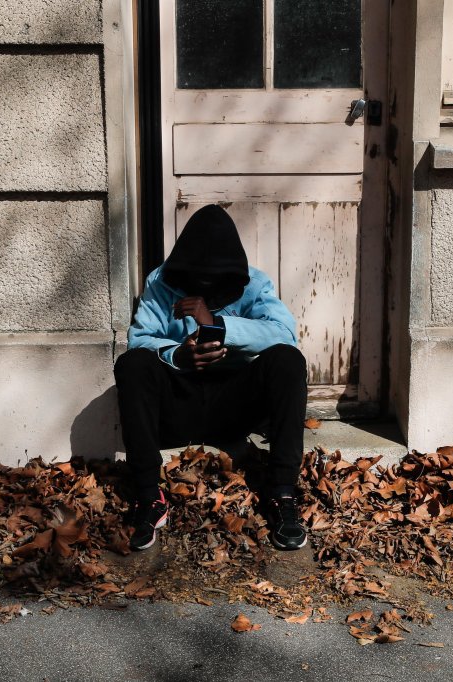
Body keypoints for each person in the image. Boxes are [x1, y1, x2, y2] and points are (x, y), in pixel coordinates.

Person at [114, 204, 309, 552]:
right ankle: (148, 496)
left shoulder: (256, 283)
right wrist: (179, 354)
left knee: (288, 360)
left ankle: (281, 492)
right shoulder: (160, 282)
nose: (203, 287)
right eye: (196, 281)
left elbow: (284, 334)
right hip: (179, 406)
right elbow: (139, 340)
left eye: (213, 284)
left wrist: (218, 326)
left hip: (234, 407)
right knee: (132, 363)